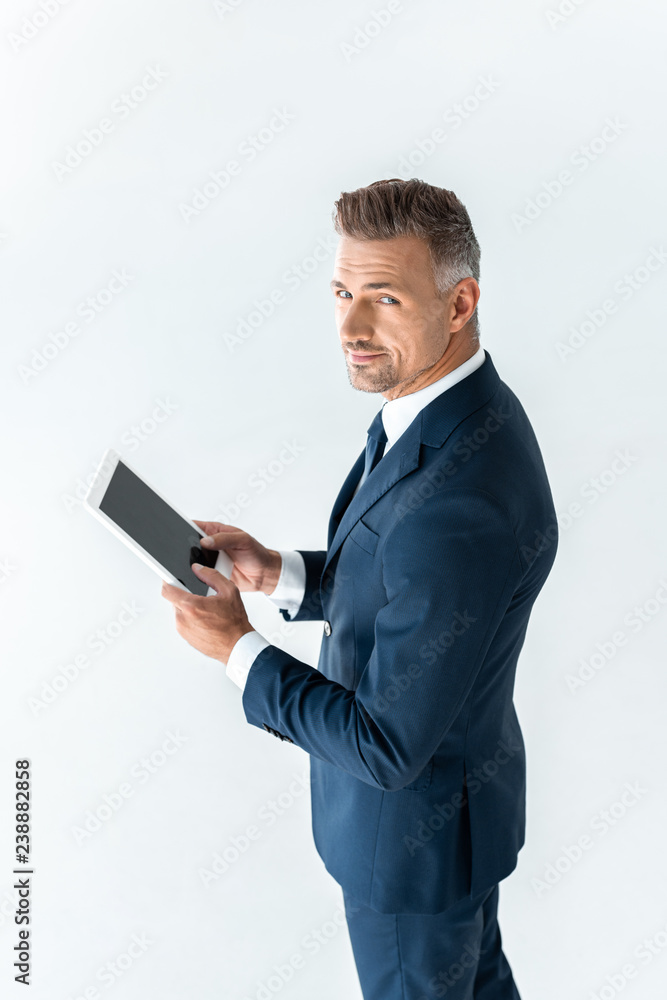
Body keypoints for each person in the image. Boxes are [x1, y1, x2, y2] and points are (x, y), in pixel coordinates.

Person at [161, 178, 559, 999]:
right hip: (451, 831)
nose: (349, 327)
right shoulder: (446, 406)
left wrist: (237, 650)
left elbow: (384, 747)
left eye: (382, 297)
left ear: (459, 303)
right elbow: (403, 577)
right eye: (342, 292)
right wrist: (280, 573)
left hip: (409, 854)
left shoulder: (458, 501)